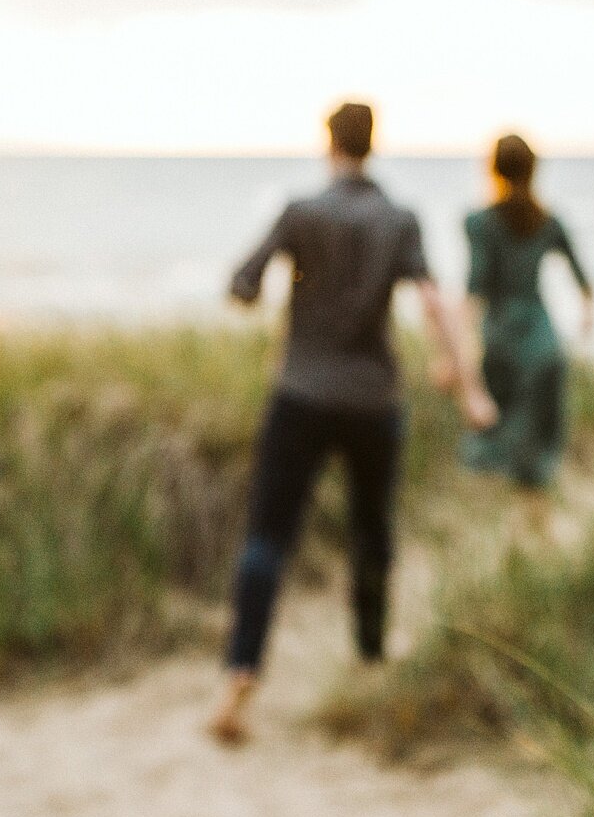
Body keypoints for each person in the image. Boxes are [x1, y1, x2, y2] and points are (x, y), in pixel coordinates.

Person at [209, 102, 493, 748]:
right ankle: (369, 660)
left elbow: (242, 284)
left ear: (328, 143)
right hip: (373, 400)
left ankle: (241, 675)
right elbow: (434, 301)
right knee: (372, 534)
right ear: (373, 145)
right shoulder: (399, 220)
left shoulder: (300, 212)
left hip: (301, 395)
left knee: (267, 539)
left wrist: (272, 290)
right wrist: (470, 386)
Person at [460, 133, 594, 499]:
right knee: (539, 442)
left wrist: (457, 350)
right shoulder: (548, 222)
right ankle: (533, 505)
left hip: (501, 332)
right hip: (541, 336)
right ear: (534, 170)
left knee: (495, 434)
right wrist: (587, 316)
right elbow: (585, 282)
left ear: (493, 170)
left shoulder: (480, 223)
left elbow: (474, 290)